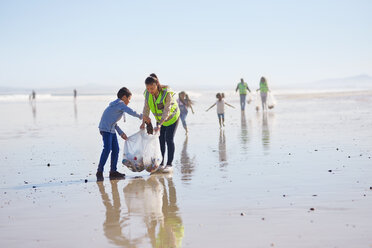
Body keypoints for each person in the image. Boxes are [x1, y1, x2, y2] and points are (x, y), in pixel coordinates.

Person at [97, 87, 150, 181]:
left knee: (116, 150)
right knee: (107, 149)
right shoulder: (120, 104)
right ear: (124, 97)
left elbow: (113, 122)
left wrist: (121, 133)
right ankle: (99, 171)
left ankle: (113, 172)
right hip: (106, 129)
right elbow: (131, 111)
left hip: (111, 129)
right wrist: (142, 117)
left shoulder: (116, 105)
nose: (129, 101)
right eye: (129, 99)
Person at [140, 74, 180, 173]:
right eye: (148, 88)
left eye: (152, 88)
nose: (150, 90)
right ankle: (161, 163)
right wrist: (143, 123)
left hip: (172, 117)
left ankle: (169, 164)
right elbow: (146, 109)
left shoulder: (166, 93)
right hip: (160, 119)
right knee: (160, 140)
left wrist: (159, 124)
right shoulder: (148, 94)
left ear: (157, 85)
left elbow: (167, 110)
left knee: (168, 139)